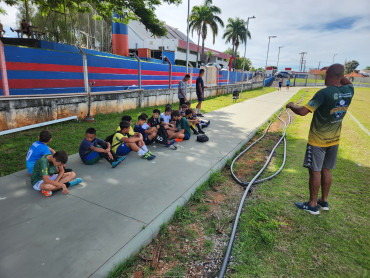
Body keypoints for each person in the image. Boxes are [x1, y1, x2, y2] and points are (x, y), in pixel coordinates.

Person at [286, 64, 354, 215]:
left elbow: (303, 111)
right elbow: (348, 82)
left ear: (328, 75)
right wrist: (339, 75)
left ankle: (312, 205)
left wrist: (291, 105)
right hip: (334, 140)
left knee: (315, 171)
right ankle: (324, 201)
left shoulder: (323, 93)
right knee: (326, 170)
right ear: (341, 76)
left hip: (318, 141)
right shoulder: (349, 90)